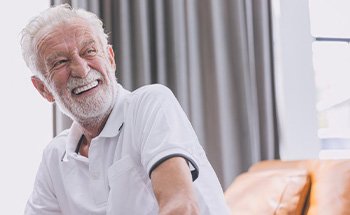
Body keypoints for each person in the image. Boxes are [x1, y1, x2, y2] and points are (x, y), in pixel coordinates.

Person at [21, 4, 230, 215]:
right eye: (60, 62)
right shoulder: (55, 156)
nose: (81, 69)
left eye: (90, 51)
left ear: (110, 59)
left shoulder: (149, 104)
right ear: (43, 89)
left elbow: (181, 207)